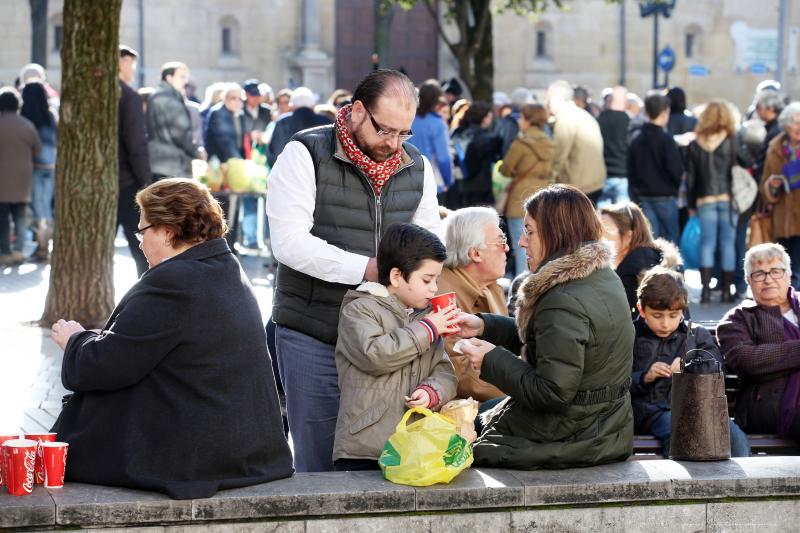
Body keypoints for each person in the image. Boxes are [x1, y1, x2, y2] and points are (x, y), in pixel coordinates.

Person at [49, 178, 293, 500]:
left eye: (142, 231)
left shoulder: (175, 281)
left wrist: (76, 340)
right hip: (245, 449)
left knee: (69, 440)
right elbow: (139, 344)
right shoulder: (224, 268)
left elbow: (108, 365)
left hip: (199, 455)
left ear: (166, 230)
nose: (139, 241)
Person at [266, 69, 442, 472]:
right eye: (385, 130)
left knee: (378, 463)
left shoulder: (416, 166)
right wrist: (368, 268)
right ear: (358, 110)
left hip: (386, 340)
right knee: (320, 465)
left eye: (404, 134)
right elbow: (289, 243)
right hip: (314, 331)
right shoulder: (305, 152)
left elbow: (428, 242)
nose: (394, 143)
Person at [454, 184, 634, 468]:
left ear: (555, 233)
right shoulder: (601, 276)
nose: (522, 242)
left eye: (530, 231)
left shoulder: (563, 297)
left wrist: (490, 359)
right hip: (608, 424)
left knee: (458, 439)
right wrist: (485, 327)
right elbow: (554, 343)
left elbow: (551, 391)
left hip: (572, 434)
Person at [333, 223, 458, 471]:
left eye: (437, 279)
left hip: (412, 448)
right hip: (364, 448)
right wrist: (428, 329)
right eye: (427, 279)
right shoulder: (359, 310)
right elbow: (376, 355)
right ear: (396, 276)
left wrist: (432, 392)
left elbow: (445, 371)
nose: (434, 288)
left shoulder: (427, 317)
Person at [631, 267, 750, 457]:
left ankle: (743, 484)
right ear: (642, 310)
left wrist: (689, 363)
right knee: (682, 429)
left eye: (673, 316)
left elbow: (716, 369)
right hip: (649, 412)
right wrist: (645, 377)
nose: (665, 324)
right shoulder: (631, 335)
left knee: (734, 437)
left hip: (698, 406)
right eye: (657, 316)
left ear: (683, 309)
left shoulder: (696, 334)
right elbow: (617, 382)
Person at [717, 243, 800, 440]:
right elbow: (748, 361)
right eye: (759, 274)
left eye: (776, 271)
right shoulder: (738, 318)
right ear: (748, 280)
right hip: (771, 406)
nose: (768, 279)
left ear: (788, 275)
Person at [437, 207, 509, 402]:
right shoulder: (442, 294)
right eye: (501, 241)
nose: (507, 248)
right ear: (476, 253)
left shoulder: (491, 287)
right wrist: (525, 388)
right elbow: (460, 374)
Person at [687, 100, 741, 302]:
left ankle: (706, 292)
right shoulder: (732, 140)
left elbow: (691, 178)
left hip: (704, 199)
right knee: (728, 243)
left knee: (707, 243)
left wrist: (691, 204)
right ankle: (727, 291)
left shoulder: (695, 144)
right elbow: (746, 162)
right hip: (729, 199)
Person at [499, 103, 554, 277]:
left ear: (529, 120)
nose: (520, 121)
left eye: (522, 117)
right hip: (545, 198)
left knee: (521, 244)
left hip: (519, 199)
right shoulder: (550, 144)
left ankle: (521, 287)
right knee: (542, 244)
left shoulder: (521, 143)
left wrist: (515, 171)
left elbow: (506, 168)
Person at [600, 202, 683, 316]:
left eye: (606, 231)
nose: (599, 237)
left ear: (629, 236)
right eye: (598, 230)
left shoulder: (631, 269)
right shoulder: (653, 255)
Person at [627, 94, 684, 243]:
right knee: (671, 241)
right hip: (665, 196)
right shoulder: (666, 139)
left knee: (651, 239)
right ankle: (671, 267)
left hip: (643, 196)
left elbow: (631, 170)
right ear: (665, 112)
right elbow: (675, 170)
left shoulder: (636, 138)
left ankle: (652, 266)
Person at [117, 45, 152, 276]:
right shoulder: (128, 96)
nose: (132, 69)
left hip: (103, 181)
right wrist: (146, 182)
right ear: (121, 62)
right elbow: (136, 143)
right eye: (130, 63)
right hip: (127, 181)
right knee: (142, 247)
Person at [545, 80, 606, 203]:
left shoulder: (565, 119)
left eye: (548, 98)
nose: (546, 103)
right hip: (593, 182)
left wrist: (547, 183)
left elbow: (558, 156)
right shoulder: (582, 114)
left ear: (557, 99)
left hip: (578, 187)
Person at [760, 101, 800, 289]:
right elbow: (765, 184)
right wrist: (772, 186)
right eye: (795, 123)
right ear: (786, 125)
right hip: (782, 219)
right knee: (786, 270)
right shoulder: (775, 148)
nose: (798, 128)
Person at [0, 87, 41, 266]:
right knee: (20, 215)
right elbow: (37, 148)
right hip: (23, 176)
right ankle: (18, 250)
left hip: (2, 177)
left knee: (2, 217)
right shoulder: (27, 125)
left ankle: (5, 252)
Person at [146, 61, 205, 181]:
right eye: (182, 77)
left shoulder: (159, 96)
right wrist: (197, 152)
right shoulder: (168, 99)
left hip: (162, 163)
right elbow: (180, 132)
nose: (185, 81)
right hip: (172, 165)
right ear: (169, 78)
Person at [20, 80, 57, 262]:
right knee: (46, 208)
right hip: (52, 166)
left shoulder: (26, 116)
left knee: (38, 208)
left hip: (35, 166)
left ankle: (43, 248)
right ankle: (44, 246)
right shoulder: (50, 115)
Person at [451, 101, 502, 207]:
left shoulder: (459, 133)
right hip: (482, 187)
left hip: (461, 185)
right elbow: (497, 158)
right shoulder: (487, 138)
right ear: (485, 118)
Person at [267, 87, 333, 168]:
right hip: (320, 176)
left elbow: (274, 153)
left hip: (289, 174)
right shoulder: (326, 121)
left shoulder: (282, 122)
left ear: (292, 106)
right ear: (313, 105)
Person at [409, 80, 453, 196]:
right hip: (429, 178)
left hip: (406, 176)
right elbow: (443, 157)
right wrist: (448, 180)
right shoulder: (437, 123)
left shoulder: (409, 118)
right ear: (437, 100)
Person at [597, 86, 630, 206]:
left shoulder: (600, 119)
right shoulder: (628, 121)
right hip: (622, 174)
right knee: (623, 218)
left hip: (603, 173)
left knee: (602, 219)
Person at [204, 83, 245, 163]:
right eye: (233, 98)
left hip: (235, 160)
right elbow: (225, 141)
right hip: (219, 161)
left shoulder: (240, 114)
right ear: (225, 98)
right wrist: (239, 161)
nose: (237, 101)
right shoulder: (217, 112)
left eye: (240, 99)